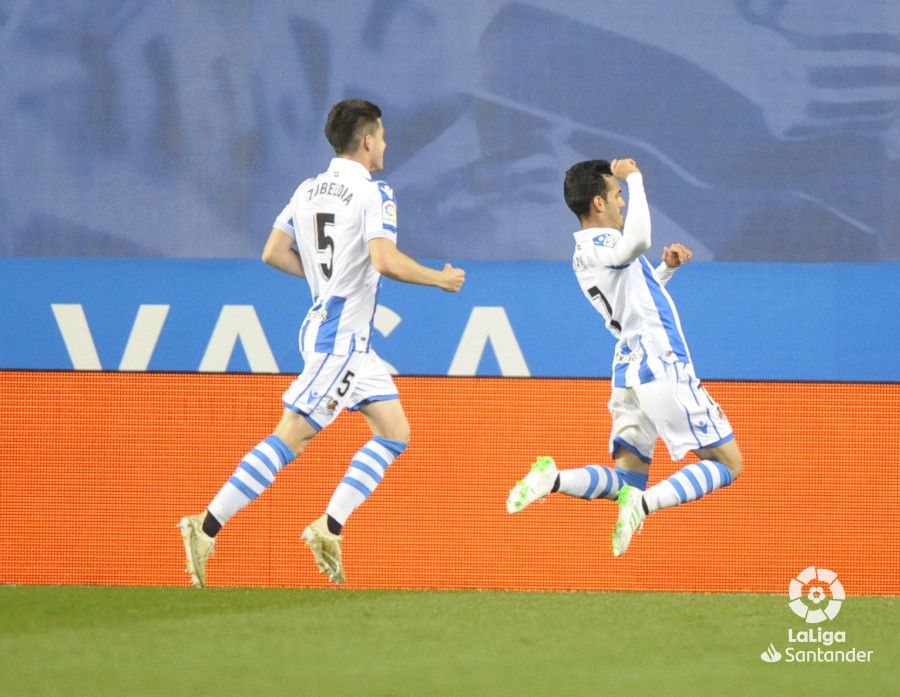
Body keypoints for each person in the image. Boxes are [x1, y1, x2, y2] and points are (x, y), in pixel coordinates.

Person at [179, 99, 465, 586]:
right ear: (369, 140)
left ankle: (329, 528)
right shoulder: (374, 193)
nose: (387, 144)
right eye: (383, 135)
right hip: (341, 341)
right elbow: (385, 260)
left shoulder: (308, 189)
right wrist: (439, 279)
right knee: (293, 434)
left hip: (335, 331)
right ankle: (204, 527)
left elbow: (273, 251)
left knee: (394, 431)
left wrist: (322, 283)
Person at [506, 158, 742, 556]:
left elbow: (631, 295)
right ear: (599, 203)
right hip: (660, 360)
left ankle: (553, 480)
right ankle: (644, 507)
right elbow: (638, 241)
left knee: (628, 480)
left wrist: (664, 272)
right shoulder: (605, 243)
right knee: (728, 463)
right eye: (617, 196)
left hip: (629, 368)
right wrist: (636, 178)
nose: (623, 203)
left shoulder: (585, 251)